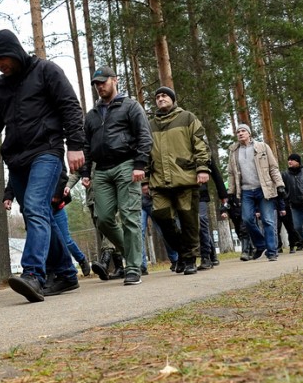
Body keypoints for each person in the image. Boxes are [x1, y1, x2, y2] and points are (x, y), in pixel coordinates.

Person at [0, 29, 84, 302]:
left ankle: (33, 274)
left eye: (3, 58)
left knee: (34, 208)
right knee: (42, 215)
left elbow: (70, 107)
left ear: (15, 51)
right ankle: (66, 273)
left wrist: (76, 145)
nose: (0, 65)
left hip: (46, 151)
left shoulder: (46, 71)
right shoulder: (2, 86)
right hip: (17, 159)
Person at [80, 66, 152, 285]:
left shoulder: (130, 106)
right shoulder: (91, 115)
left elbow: (144, 136)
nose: (99, 86)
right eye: (96, 84)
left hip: (127, 165)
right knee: (102, 219)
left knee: (130, 216)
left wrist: (140, 164)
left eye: (103, 82)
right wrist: (85, 171)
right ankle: (134, 255)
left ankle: (132, 268)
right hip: (101, 170)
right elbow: (86, 145)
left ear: (115, 80)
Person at [146, 86, 209, 275]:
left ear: (173, 99)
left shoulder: (188, 118)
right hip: (158, 181)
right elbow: (145, 151)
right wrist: (145, 179)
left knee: (188, 220)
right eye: (157, 97)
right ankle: (183, 252)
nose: (160, 98)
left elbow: (200, 144)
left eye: (164, 95)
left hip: (185, 177)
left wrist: (202, 168)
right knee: (161, 217)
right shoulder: (150, 125)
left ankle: (189, 259)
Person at [226, 124, 285, 262]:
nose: (240, 133)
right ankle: (260, 244)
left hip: (264, 189)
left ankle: (271, 252)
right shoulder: (234, 151)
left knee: (268, 220)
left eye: (243, 131)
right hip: (246, 191)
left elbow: (273, 167)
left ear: (249, 133)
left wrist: (280, 184)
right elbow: (231, 173)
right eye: (238, 132)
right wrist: (231, 191)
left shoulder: (262, 147)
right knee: (247, 219)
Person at [196, 158, 228, 270]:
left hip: (200, 192)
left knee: (201, 221)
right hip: (181, 192)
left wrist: (223, 194)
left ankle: (206, 257)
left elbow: (214, 171)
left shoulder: (201, 147)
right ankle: (212, 253)